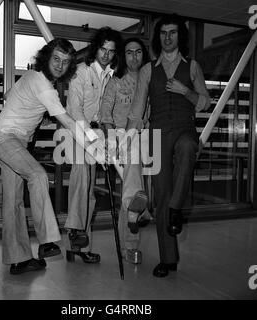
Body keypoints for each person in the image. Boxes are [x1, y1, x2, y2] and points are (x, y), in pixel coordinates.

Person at [0, 38, 104, 275]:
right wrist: (94, 147)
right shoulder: (44, 86)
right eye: (56, 59)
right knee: (39, 176)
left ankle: (19, 260)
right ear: (46, 57)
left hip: (10, 138)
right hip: (6, 138)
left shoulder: (32, 78)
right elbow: (70, 124)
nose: (60, 65)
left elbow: (10, 95)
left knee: (13, 201)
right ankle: (48, 241)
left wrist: (32, 111)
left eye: (65, 62)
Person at [126, 14, 210, 277]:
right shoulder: (148, 70)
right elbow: (138, 110)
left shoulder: (192, 67)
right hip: (157, 134)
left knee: (187, 148)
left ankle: (176, 208)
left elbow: (205, 102)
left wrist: (185, 91)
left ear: (179, 36)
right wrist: (126, 140)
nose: (168, 37)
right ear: (158, 37)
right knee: (161, 195)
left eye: (173, 32)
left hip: (185, 129)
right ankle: (168, 259)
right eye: (163, 33)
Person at [64, 27, 123, 264]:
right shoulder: (80, 72)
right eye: (103, 49)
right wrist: (90, 137)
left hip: (98, 134)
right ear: (95, 48)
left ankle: (79, 246)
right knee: (80, 173)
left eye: (111, 51)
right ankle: (76, 230)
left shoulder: (112, 76)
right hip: (76, 131)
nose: (106, 55)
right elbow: (76, 110)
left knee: (89, 191)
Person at [100, 37, 150, 264]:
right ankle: (131, 246)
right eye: (129, 52)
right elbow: (104, 114)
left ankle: (135, 214)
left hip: (147, 138)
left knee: (132, 187)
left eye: (138, 52)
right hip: (121, 138)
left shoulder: (150, 79)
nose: (134, 57)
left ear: (144, 55)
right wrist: (112, 140)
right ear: (123, 55)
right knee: (134, 179)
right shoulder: (116, 81)